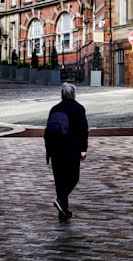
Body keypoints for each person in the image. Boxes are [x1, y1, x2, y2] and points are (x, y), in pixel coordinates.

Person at [44, 82, 89, 222]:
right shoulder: (78, 108)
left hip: (56, 150)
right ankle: (61, 200)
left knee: (60, 181)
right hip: (72, 149)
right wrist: (83, 149)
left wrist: (48, 151)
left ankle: (63, 210)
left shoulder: (55, 108)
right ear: (73, 94)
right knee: (73, 177)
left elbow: (48, 132)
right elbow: (83, 131)